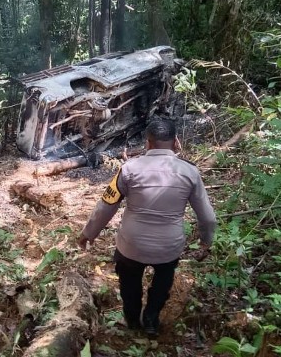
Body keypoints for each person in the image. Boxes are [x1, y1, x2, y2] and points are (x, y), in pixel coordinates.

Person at [77, 118, 216, 337]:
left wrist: (89, 233)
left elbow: (107, 205)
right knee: (163, 281)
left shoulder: (129, 169)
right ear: (176, 142)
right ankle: (151, 319)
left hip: (131, 245)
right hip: (168, 247)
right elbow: (208, 218)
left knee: (129, 283)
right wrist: (206, 240)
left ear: (147, 144)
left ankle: (132, 320)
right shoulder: (190, 173)